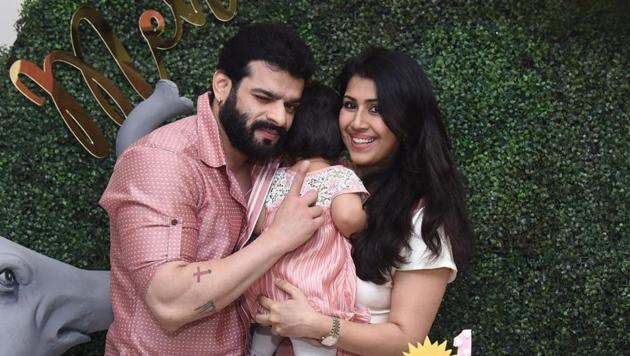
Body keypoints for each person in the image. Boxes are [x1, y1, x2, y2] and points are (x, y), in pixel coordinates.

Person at [99, 23, 325, 355]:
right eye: (263, 97)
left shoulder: (265, 160)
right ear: (222, 85)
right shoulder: (164, 162)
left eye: (290, 106)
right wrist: (279, 238)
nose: (279, 117)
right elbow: (170, 302)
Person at [254, 48, 474, 356]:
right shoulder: (321, 177)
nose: (357, 122)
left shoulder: (420, 215)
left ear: (406, 120)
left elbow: (408, 339)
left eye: (376, 109)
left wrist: (319, 326)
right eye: (349, 105)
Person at [244, 82, 370, 356]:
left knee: (259, 346)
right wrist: (367, 221)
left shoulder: (275, 176)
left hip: (269, 292)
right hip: (314, 297)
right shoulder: (338, 175)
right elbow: (348, 218)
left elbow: (259, 223)